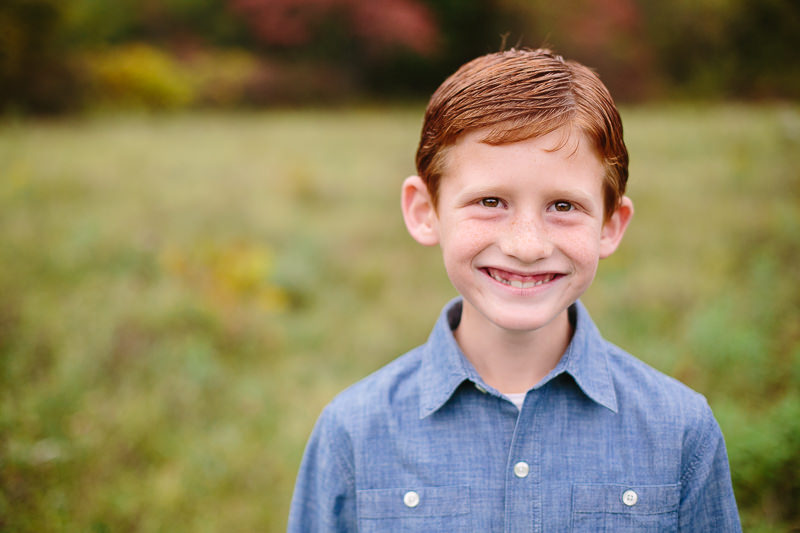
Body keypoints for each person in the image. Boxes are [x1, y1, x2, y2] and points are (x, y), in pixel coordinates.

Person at [288, 48, 741, 532]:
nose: (526, 247)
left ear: (611, 224)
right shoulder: (353, 433)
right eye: (490, 201)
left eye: (563, 206)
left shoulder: (680, 431)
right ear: (425, 211)